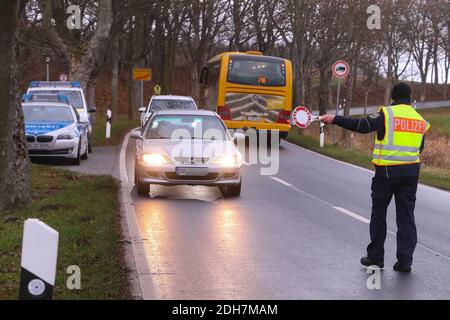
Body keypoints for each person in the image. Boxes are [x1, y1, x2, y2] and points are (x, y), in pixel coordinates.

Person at [321, 83, 430, 273]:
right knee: (406, 217)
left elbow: (362, 126)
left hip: (386, 174)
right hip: (411, 174)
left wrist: (335, 119)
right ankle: (405, 261)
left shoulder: (387, 114)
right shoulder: (420, 120)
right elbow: (419, 148)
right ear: (410, 98)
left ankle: (375, 257)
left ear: (393, 98)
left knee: (379, 215)